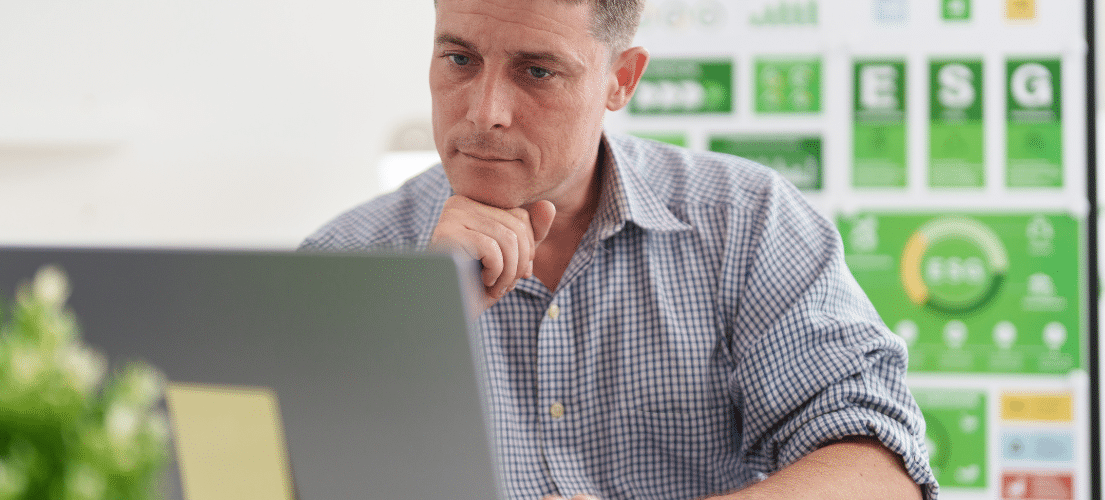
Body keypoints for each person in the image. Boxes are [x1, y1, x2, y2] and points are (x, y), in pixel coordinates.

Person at [301, 0, 939, 498]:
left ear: (620, 80)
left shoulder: (747, 224)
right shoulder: (346, 260)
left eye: (537, 70)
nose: (484, 112)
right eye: (460, 59)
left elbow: (880, 470)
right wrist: (414, 323)